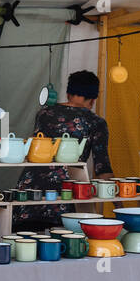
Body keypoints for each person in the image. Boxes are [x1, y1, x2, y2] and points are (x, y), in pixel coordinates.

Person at [14, 70, 114, 230]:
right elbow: (102, 168)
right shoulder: (96, 122)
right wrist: (118, 204)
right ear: (93, 99)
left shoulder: (44, 113)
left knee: (24, 245)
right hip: (66, 195)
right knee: (60, 248)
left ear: (68, 93)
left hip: (30, 191)